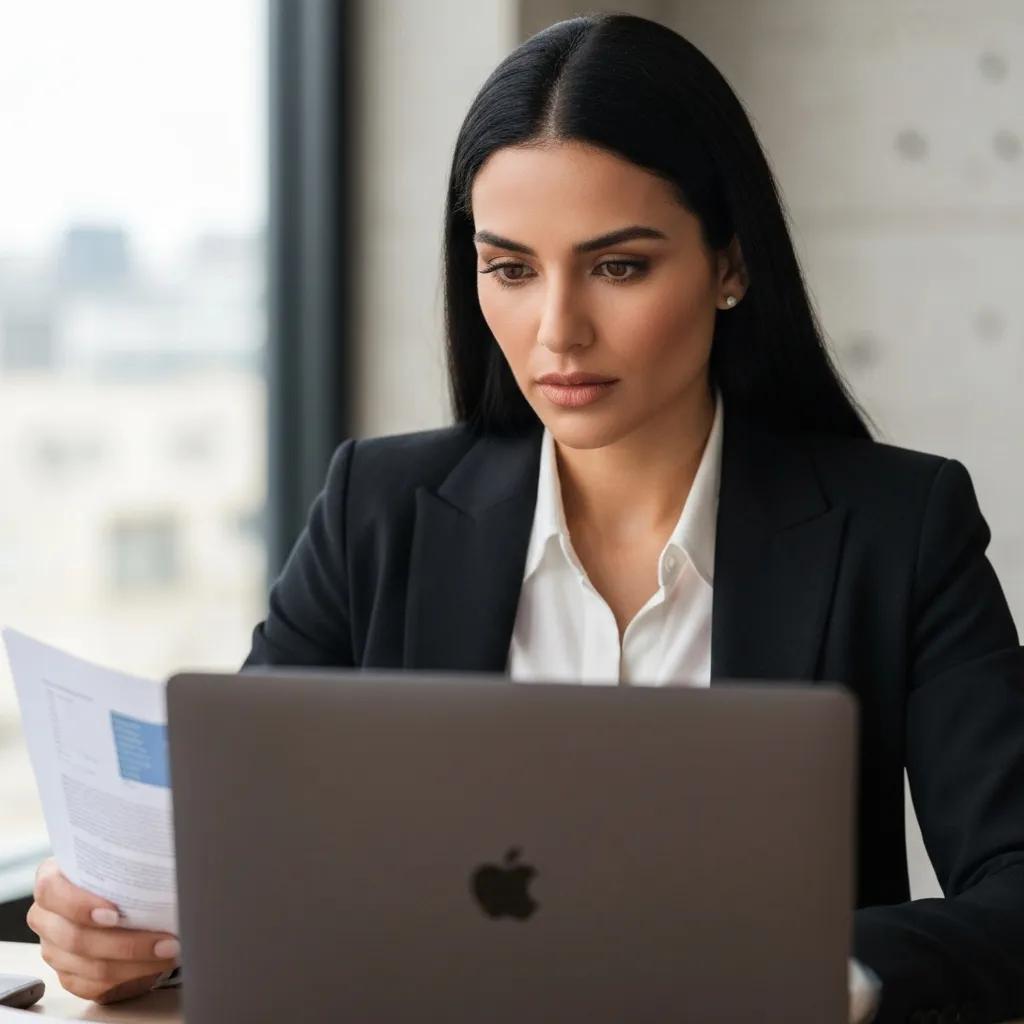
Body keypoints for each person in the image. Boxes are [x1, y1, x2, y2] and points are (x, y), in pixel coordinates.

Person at [26, 12, 1024, 1022]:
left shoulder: (899, 528)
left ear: (730, 264)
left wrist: (780, 967)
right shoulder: (376, 511)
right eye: (510, 269)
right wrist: (133, 933)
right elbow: (239, 855)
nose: (557, 331)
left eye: (617, 265)